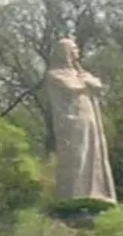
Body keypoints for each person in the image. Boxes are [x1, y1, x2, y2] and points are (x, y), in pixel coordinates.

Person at [44, 36, 118, 206]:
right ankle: (74, 194)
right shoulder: (55, 74)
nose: (78, 52)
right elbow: (72, 86)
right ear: (65, 52)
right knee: (77, 155)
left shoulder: (80, 73)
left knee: (93, 154)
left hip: (88, 117)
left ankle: (95, 192)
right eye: (74, 48)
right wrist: (85, 80)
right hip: (71, 121)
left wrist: (86, 78)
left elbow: (98, 85)